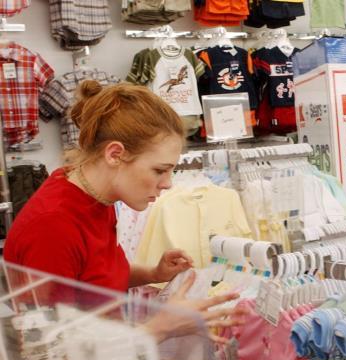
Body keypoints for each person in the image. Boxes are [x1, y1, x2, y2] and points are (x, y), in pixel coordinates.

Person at [4, 80, 243, 342]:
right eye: (159, 170)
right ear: (115, 154)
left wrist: (152, 273)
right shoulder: (52, 228)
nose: (168, 184)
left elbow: (91, 277)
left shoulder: (95, 194)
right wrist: (159, 329)